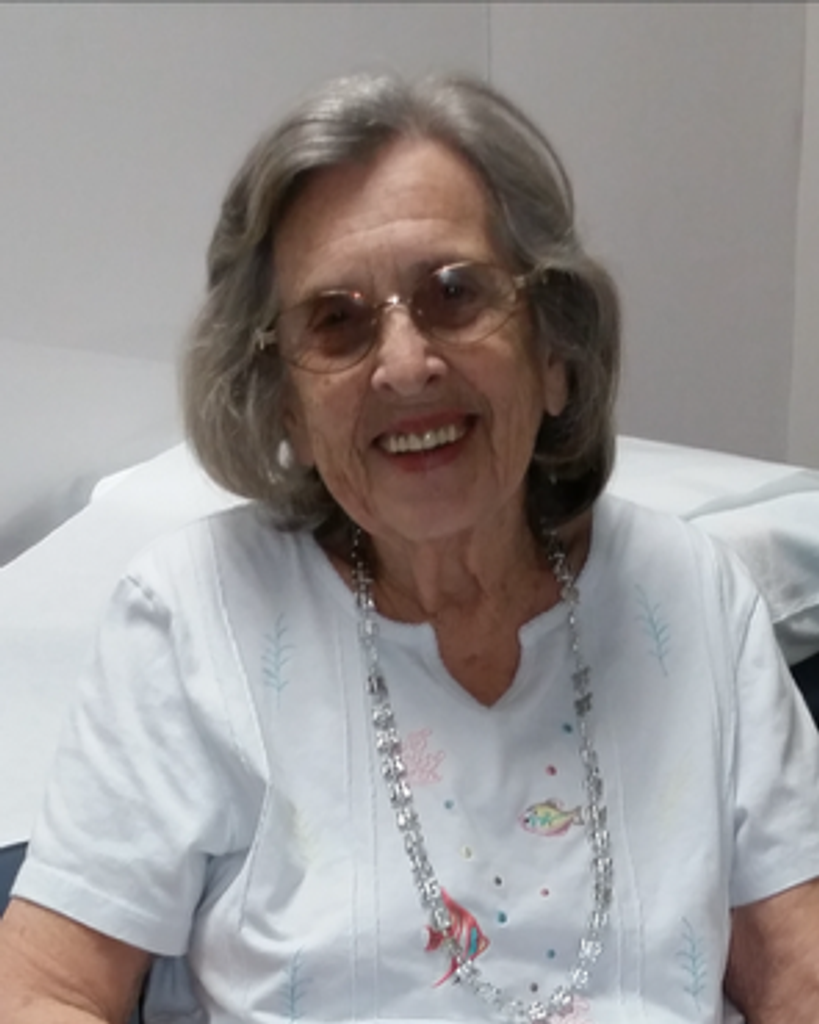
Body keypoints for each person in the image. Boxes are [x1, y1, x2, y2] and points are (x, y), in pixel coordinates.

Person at [1, 71, 818, 1024]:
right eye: (336, 322)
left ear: (554, 352)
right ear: (287, 407)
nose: (405, 365)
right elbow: (47, 991)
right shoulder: (193, 614)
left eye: (454, 294)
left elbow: (797, 977)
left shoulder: (695, 598)